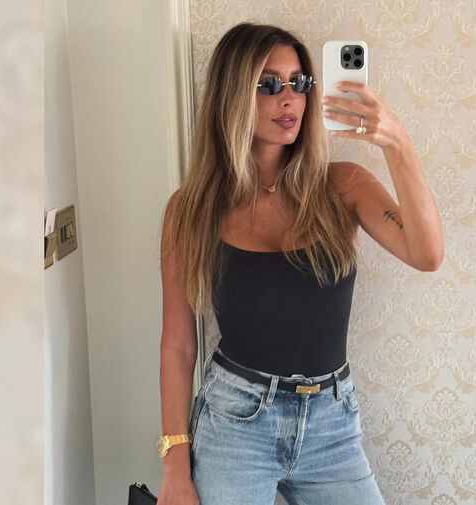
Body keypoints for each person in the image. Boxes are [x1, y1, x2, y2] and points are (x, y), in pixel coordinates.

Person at [156, 22, 443, 505]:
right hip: (235, 424)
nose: (289, 98)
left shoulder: (343, 187)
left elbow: (427, 253)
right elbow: (179, 346)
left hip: (331, 424)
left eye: (299, 82)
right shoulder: (192, 209)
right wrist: (174, 467)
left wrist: (396, 142)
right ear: (231, 95)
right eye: (268, 84)